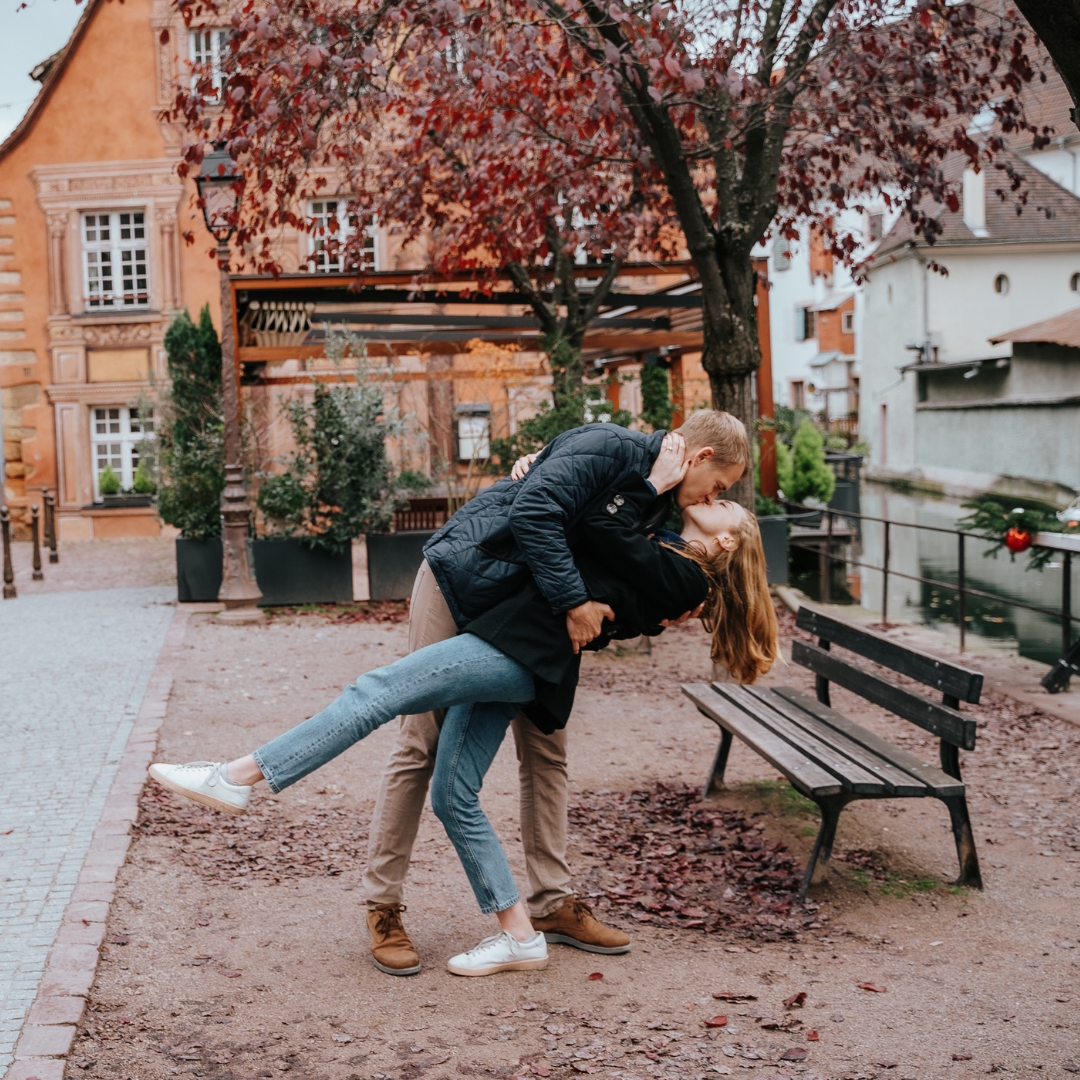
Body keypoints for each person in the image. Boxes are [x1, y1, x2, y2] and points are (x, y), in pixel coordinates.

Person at [148, 434, 779, 977]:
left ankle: (237, 776)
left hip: (516, 653)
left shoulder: (685, 579)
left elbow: (595, 526)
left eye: (724, 504)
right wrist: (548, 458)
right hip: (511, 645)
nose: (712, 498)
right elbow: (586, 515)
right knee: (454, 793)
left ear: (726, 545)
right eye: (720, 487)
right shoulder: (663, 538)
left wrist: (646, 483)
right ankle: (520, 936)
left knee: (379, 690)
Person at [359, 410, 752, 976]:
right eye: (718, 487)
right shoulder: (611, 447)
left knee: (547, 747)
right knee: (421, 738)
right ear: (701, 457)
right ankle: (382, 904)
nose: (715, 496)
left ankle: (552, 904)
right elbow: (536, 509)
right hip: (465, 575)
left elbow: (617, 551)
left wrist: (671, 600)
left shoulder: (667, 502)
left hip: (525, 612)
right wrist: (575, 602)